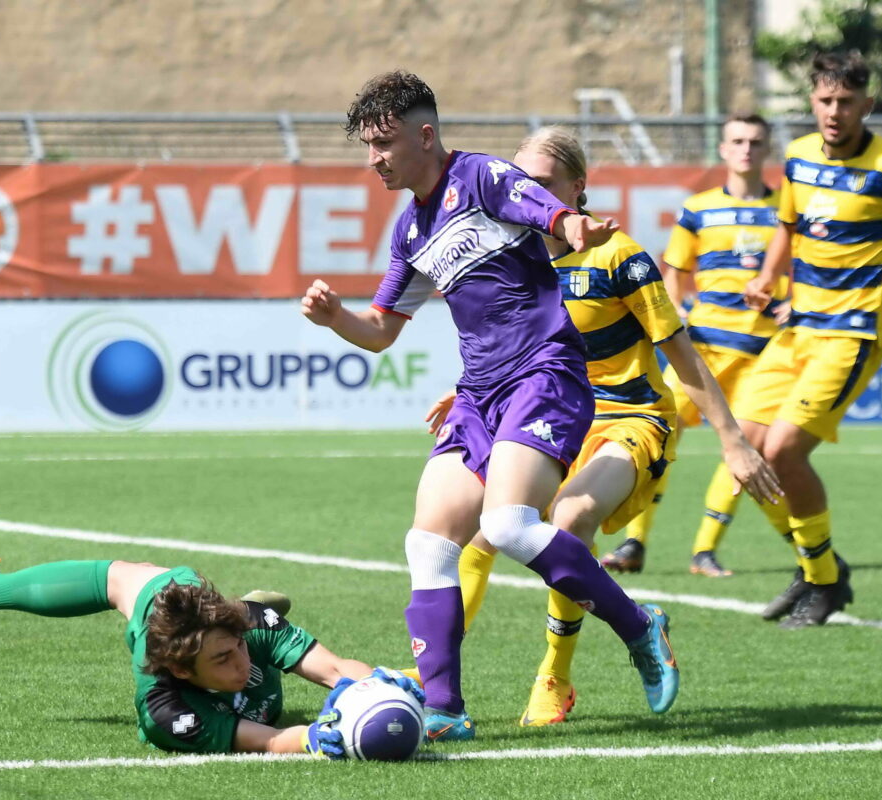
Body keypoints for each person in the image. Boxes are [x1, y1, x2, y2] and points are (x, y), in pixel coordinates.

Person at [302, 71, 774, 742]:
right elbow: (380, 331)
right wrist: (335, 319)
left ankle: (641, 628)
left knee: (513, 524)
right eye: (368, 146)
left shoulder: (484, 178)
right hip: (478, 395)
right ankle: (444, 710)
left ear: (424, 135)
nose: (373, 158)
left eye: (383, 143)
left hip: (543, 373)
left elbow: (541, 208)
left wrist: (571, 221)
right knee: (428, 545)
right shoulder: (410, 230)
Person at [418, 127, 781, 727]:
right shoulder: (505, 254)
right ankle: (429, 685)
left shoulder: (618, 258)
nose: (523, 195)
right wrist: (466, 389)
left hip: (628, 415)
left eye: (541, 184)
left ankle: (554, 674)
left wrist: (732, 439)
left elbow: (681, 352)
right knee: (478, 533)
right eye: (517, 183)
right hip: (546, 414)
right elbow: (508, 345)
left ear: (577, 188)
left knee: (569, 518)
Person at [740, 52, 882, 628]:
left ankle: (824, 582)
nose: (835, 112)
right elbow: (788, 225)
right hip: (798, 327)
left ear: (867, 104)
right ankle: (818, 568)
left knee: (783, 450)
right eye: (826, 100)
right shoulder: (799, 157)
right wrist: (768, 274)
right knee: (746, 452)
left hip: (853, 334)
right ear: (812, 102)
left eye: (846, 102)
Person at [0, 506, 421, 757]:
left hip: (234, 621)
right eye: (223, 661)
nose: (239, 663)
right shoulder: (164, 710)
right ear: (179, 669)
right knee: (131, 579)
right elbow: (270, 741)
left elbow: (336, 669)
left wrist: (371, 687)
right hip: (211, 688)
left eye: (235, 651)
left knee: (149, 579)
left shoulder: (247, 629)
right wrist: (315, 739)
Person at [602, 113, 793, 579]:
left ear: (766, 149)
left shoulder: (786, 212)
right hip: (702, 349)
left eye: (755, 141)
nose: (746, 148)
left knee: (745, 448)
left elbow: (805, 269)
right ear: (723, 150)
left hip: (761, 354)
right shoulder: (699, 207)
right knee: (660, 436)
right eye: (737, 140)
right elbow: (673, 269)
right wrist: (677, 308)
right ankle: (633, 544)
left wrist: (797, 304)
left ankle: (704, 550)